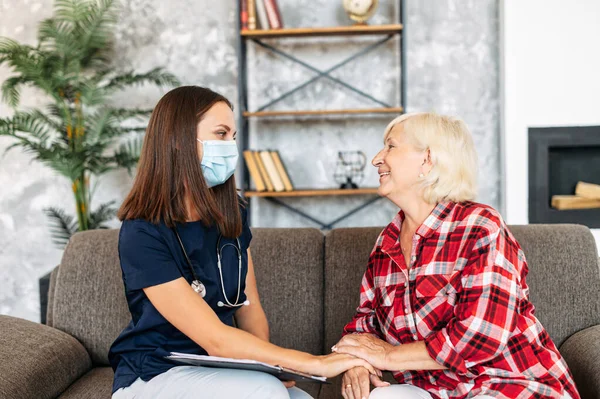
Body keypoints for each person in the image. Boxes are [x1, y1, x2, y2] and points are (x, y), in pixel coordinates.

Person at [108, 86, 377, 399]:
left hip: (217, 369)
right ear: (178, 141)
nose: (230, 146)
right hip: (155, 372)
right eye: (221, 134)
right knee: (264, 392)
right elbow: (216, 340)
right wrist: (313, 364)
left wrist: (269, 367)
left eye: (233, 136)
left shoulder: (231, 214)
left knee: (296, 397)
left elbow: (250, 313)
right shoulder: (142, 232)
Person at [331, 112, 581, 399]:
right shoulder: (386, 243)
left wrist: (387, 357)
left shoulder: (480, 227)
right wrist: (358, 362)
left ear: (427, 159)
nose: (377, 158)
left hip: (506, 383)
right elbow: (364, 324)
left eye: (390, 146)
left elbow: (480, 337)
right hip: (434, 390)